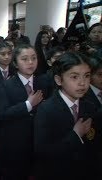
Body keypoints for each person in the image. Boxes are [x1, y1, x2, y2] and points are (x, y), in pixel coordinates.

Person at [34, 52, 100, 180]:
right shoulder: (46, 109)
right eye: (74, 77)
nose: (82, 83)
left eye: (86, 76)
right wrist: (75, 135)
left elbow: (94, 147)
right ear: (59, 80)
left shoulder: (90, 107)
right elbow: (42, 152)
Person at [0, 44, 47, 180]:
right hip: (16, 142)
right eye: (24, 59)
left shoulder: (43, 82)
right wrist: (28, 105)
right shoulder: (6, 85)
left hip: (39, 139)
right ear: (15, 63)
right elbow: (3, 114)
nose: (30, 62)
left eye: (34, 58)